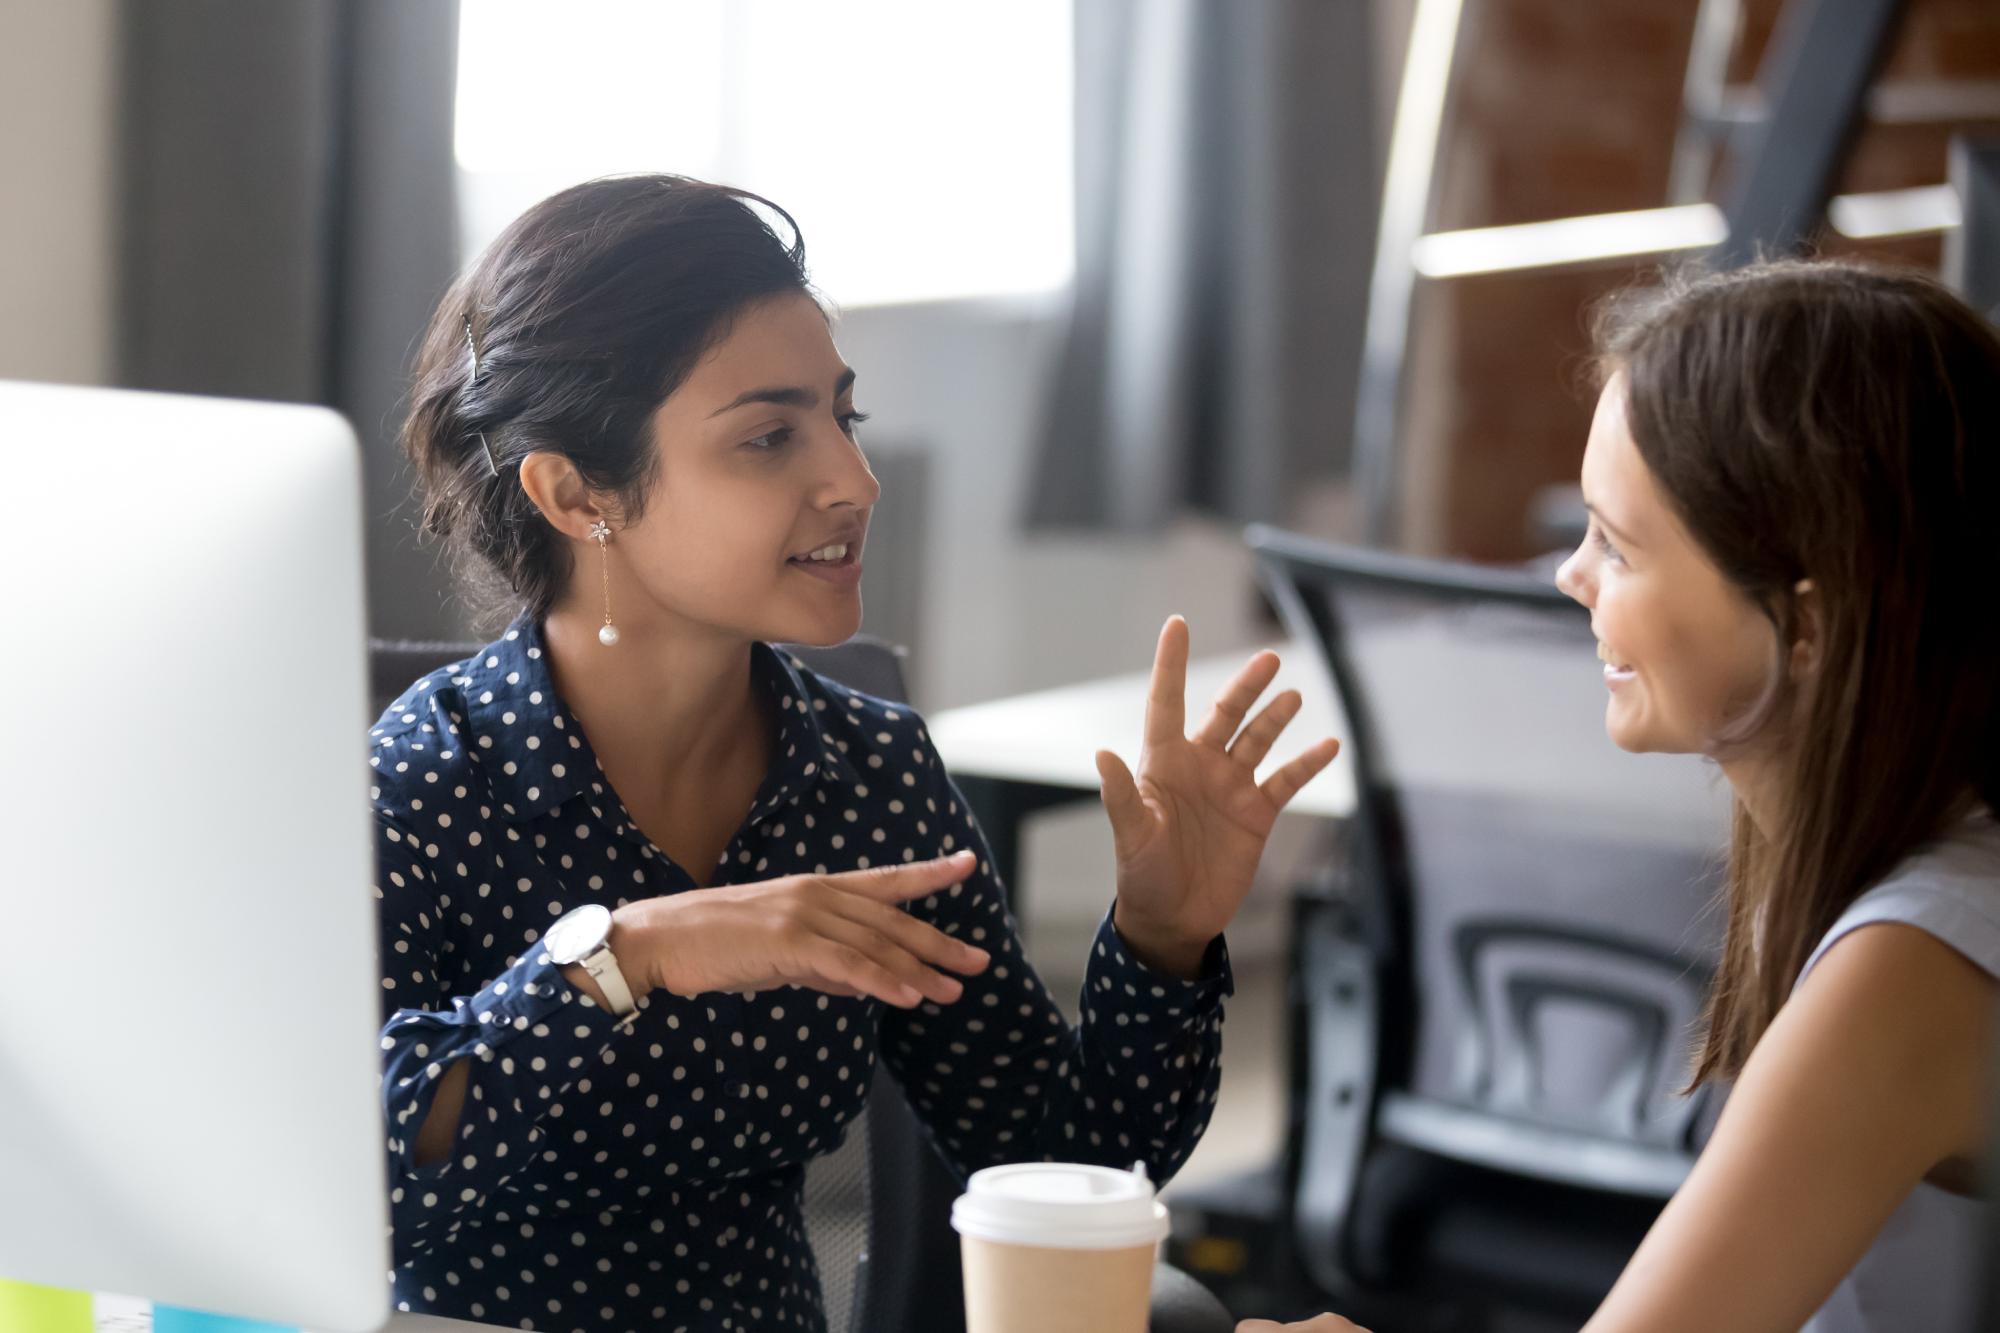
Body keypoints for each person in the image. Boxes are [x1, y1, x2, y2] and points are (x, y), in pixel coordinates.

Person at [369, 173, 1340, 1332]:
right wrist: (628, 954)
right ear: (577, 492)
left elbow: (1063, 1161)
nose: (853, 479)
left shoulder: (867, 777)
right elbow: (359, 1177)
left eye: (843, 416)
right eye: (770, 436)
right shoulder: (426, 780)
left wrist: (1162, 937)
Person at [1244, 259, 2000, 1333]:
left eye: (1617, 543)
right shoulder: (1870, 862)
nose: (1569, 575)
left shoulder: (1909, 962)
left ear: (1807, 626)